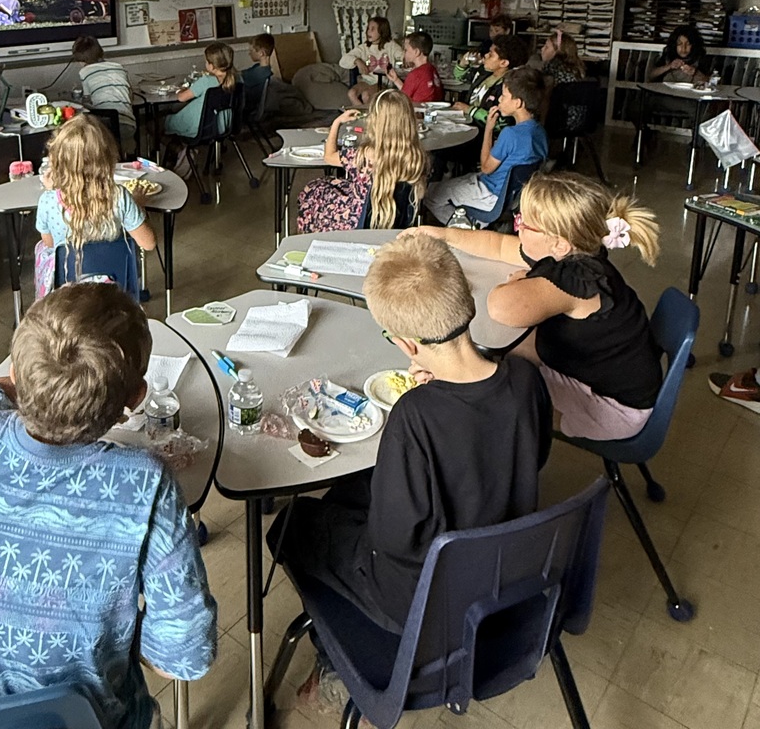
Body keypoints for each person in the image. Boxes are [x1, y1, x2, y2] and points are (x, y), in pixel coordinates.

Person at [0, 282, 218, 726]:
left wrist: (52, 348)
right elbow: (184, 657)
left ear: (17, 372)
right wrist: (118, 633)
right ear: (134, 400)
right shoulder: (146, 485)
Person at [268, 234, 550, 653]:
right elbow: (537, 453)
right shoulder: (526, 380)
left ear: (406, 344)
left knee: (293, 523)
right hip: (500, 566)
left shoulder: (414, 416)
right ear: (467, 304)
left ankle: (331, 653)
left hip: (420, 597)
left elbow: (392, 538)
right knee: (349, 496)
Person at [412, 171, 662, 441]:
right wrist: (444, 235)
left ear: (559, 244)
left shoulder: (574, 279)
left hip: (612, 411)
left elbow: (500, 307)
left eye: (524, 224)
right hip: (609, 379)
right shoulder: (580, 251)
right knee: (494, 352)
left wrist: (519, 279)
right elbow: (497, 246)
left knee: (486, 388)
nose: (516, 227)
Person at [35, 114, 156, 298]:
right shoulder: (119, 197)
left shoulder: (48, 201)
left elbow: (50, 244)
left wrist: (55, 189)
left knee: (41, 249)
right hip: (115, 291)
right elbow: (148, 244)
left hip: (67, 295)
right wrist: (138, 205)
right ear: (107, 157)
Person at [425, 67, 548, 227]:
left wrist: (489, 129)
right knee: (449, 184)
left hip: (490, 194)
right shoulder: (541, 132)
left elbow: (486, 167)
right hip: (516, 196)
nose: (499, 100)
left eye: (504, 96)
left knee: (429, 194)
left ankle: (465, 230)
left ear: (518, 103)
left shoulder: (510, 134)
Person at [296, 89, 427, 233]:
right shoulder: (416, 157)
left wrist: (337, 123)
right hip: (392, 220)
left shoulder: (364, 155)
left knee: (314, 190)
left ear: (375, 121)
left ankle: (307, 238)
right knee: (331, 185)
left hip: (355, 220)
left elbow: (329, 156)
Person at [72, 35, 137, 157]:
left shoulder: (85, 72)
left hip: (105, 125)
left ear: (80, 59)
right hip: (129, 123)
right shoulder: (119, 67)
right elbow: (130, 96)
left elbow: (87, 101)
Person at [450, 34, 529, 127]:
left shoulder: (506, 88)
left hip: (483, 133)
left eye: (491, 55)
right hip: (466, 124)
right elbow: (459, 77)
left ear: (503, 63)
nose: (486, 55)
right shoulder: (483, 72)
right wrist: (463, 62)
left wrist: (470, 110)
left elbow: (500, 122)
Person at [164, 42, 236, 140]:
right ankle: (184, 151)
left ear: (211, 66)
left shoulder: (206, 81)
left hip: (201, 126)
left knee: (155, 124)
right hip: (225, 124)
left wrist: (181, 90)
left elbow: (181, 98)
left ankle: (179, 150)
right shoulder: (237, 79)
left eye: (206, 62)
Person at [340, 17, 404, 108]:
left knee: (366, 95)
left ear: (382, 31)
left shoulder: (391, 46)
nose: (368, 32)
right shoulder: (363, 48)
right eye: (368, 29)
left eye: (373, 29)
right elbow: (343, 61)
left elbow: (403, 56)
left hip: (382, 82)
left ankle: (369, 117)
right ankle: (363, 114)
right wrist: (357, 61)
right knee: (351, 93)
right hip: (366, 81)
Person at [387, 31, 444, 104]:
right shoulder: (431, 69)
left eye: (406, 50)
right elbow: (408, 92)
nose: (404, 53)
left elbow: (403, 98)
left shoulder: (415, 74)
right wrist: (396, 80)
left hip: (417, 111)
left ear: (416, 52)